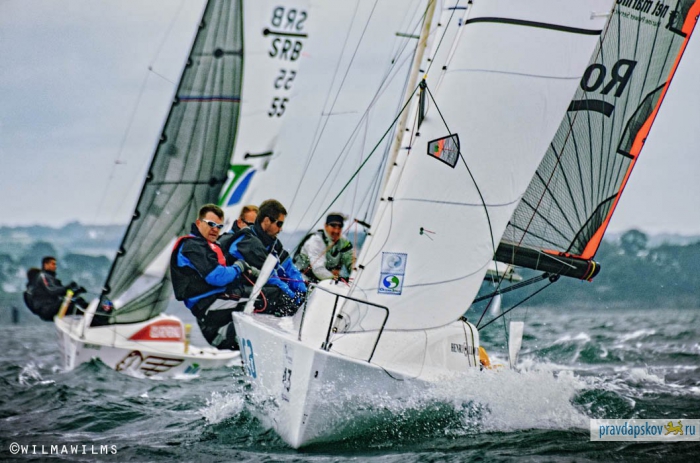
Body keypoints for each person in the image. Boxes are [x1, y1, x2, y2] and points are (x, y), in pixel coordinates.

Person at [170, 204, 254, 350]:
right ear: (198, 223)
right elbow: (217, 277)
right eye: (211, 224)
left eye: (219, 226)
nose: (215, 229)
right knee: (264, 298)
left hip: (217, 305)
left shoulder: (209, 246)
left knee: (265, 292)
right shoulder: (192, 246)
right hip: (210, 313)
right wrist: (239, 267)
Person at [219, 199, 307, 315]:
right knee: (278, 293)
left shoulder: (273, 243)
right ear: (266, 221)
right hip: (233, 292)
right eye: (279, 224)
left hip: (254, 289)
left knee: (283, 292)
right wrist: (294, 299)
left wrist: (303, 292)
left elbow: (289, 268)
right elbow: (271, 277)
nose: (281, 229)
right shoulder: (249, 242)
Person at [294, 213, 354, 283]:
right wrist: (337, 279)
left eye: (340, 227)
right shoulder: (315, 241)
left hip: (325, 280)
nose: (336, 231)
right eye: (333, 226)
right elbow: (318, 269)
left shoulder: (343, 242)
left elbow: (351, 263)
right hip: (302, 278)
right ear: (325, 226)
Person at [27, 256, 88, 321]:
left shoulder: (50, 278)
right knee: (74, 304)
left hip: (51, 307)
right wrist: (68, 287)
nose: (55, 266)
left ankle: (91, 318)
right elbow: (52, 290)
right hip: (47, 309)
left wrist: (77, 291)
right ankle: (91, 320)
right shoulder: (43, 276)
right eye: (53, 264)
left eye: (55, 264)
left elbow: (62, 293)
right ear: (46, 265)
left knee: (78, 300)